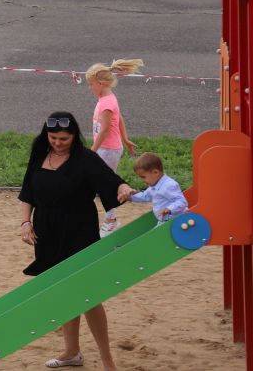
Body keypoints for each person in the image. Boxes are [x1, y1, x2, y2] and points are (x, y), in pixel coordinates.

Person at [18, 111, 130, 371]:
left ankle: (107, 361)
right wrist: (25, 223)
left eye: (64, 138)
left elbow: (110, 180)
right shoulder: (39, 156)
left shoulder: (85, 159)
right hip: (47, 232)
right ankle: (71, 352)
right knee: (63, 293)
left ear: (74, 136)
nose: (58, 142)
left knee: (89, 295)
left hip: (79, 231)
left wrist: (123, 188)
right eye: (53, 137)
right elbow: (27, 194)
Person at [87, 59, 143, 235]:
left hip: (108, 150)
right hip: (108, 148)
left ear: (101, 83)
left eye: (91, 84)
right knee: (100, 182)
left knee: (102, 184)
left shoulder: (107, 103)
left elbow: (104, 131)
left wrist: (91, 152)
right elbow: (119, 119)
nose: (90, 88)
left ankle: (111, 220)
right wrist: (126, 140)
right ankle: (110, 218)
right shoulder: (106, 99)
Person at [124, 152, 188, 223]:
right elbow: (145, 196)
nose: (142, 180)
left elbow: (181, 202)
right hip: (163, 220)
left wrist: (169, 209)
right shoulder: (154, 185)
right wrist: (130, 197)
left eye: (143, 177)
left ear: (155, 172)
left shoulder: (169, 185)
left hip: (174, 221)